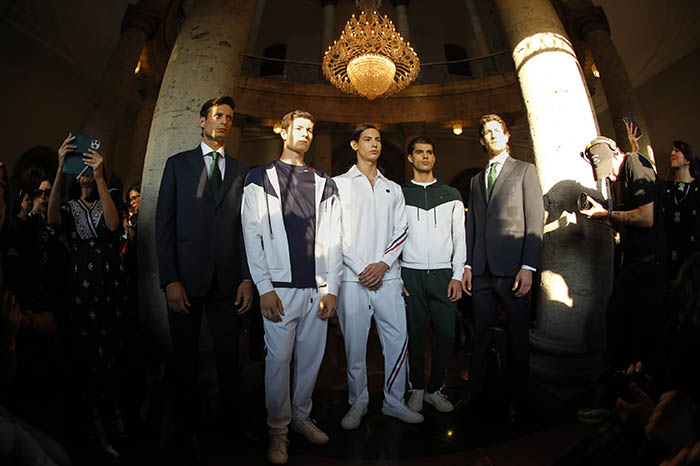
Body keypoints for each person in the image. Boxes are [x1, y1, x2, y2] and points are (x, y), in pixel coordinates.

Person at [241, 109, 342, 465]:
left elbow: (335, 239)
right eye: (299, 128)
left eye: (311, 130)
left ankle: (301, 416)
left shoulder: (326, 182)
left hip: (317, 288)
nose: (306, 134)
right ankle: (278, 430)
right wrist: (263, 287)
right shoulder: (260, 177)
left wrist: (333, 289)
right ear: (283, 132)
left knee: (311, 361)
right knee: (279, 362)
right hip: (279, 288)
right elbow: (252, 234)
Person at [155, 96, 253, 460]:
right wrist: (170, 280)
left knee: (230, 361)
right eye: (218, 115)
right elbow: (163, 226)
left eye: (230, 117)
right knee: (185, 360)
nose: (224, 121)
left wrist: (246, 278)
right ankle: (185, 431)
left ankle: (231, 427)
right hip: (185, 280)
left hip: (228, 282)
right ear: (202, 121)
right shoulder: (177, 165)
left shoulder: (242, 171)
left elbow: (247, 230)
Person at [334, 125, 423, 430]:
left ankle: (394, 402)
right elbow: (335, 232)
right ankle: (357, 402)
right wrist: (362, 267)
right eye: (368, 139)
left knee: (397, 340)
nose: (374, 144)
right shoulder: (339, 184)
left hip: (389, 277)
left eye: (378, 140)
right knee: (354, 345)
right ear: (354, 144)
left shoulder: (393, 188)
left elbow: (402, 230)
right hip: (352, 278)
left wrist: (383, 264)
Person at [47, 133, 128, 458]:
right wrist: (58, 169)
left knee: (113, 349)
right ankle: (95, 426)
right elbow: (52, 219)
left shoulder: (112, 195)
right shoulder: (69, 208)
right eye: (79, 170)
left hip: (109, 285)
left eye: (89, 170)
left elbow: (113, 224)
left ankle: (116, 417)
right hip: (81, 285)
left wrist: (100, 177)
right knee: (88, 353)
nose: (85, 176)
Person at [461, 114, 544, 421]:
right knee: (480, 334)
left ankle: (517, 400)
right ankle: (475, 392)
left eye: (497, 130)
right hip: (481, 271)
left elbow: (534, 220)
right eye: (487, 132)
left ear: (506, 136)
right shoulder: (475, 181)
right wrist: (468, 265)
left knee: (517, 338)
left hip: (514, 270)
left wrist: (528, 266)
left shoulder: (525, 170)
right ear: (482, 140)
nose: (493, 135)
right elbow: (472, 225)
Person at [580, 135, 665, 370]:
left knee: (643, 327)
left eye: (609, 169)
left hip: (650, 264)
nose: (610, 176)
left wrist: (608, 214)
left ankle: (641, 376)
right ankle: (621, 373)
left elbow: (646, 218)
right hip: (633, 261)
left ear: (616, 153)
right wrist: (603, 217)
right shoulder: (619, 177)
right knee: (618, 317)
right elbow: (627, 223)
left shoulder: (634, 164)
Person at [401, 136, 466, 413]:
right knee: (414, 334)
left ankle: (435, 389)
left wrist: (458, 274)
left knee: (446, 334)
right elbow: (392, 236)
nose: (425, 156)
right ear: (410, 158)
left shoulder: (451, 194)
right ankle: (416, 388)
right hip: (410, 273)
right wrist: (397, 275)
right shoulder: (400, 194)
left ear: (434, 157)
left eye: (429, 152)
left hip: (444, 274)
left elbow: (460, 238)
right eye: (419, 152)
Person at [660, 140, 699, 280]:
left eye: (677, 151)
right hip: (668, 253)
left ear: (688, 160)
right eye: (672, 150)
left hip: (692, 254)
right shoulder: (666, 188)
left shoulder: (697, 188)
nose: (672, 153)